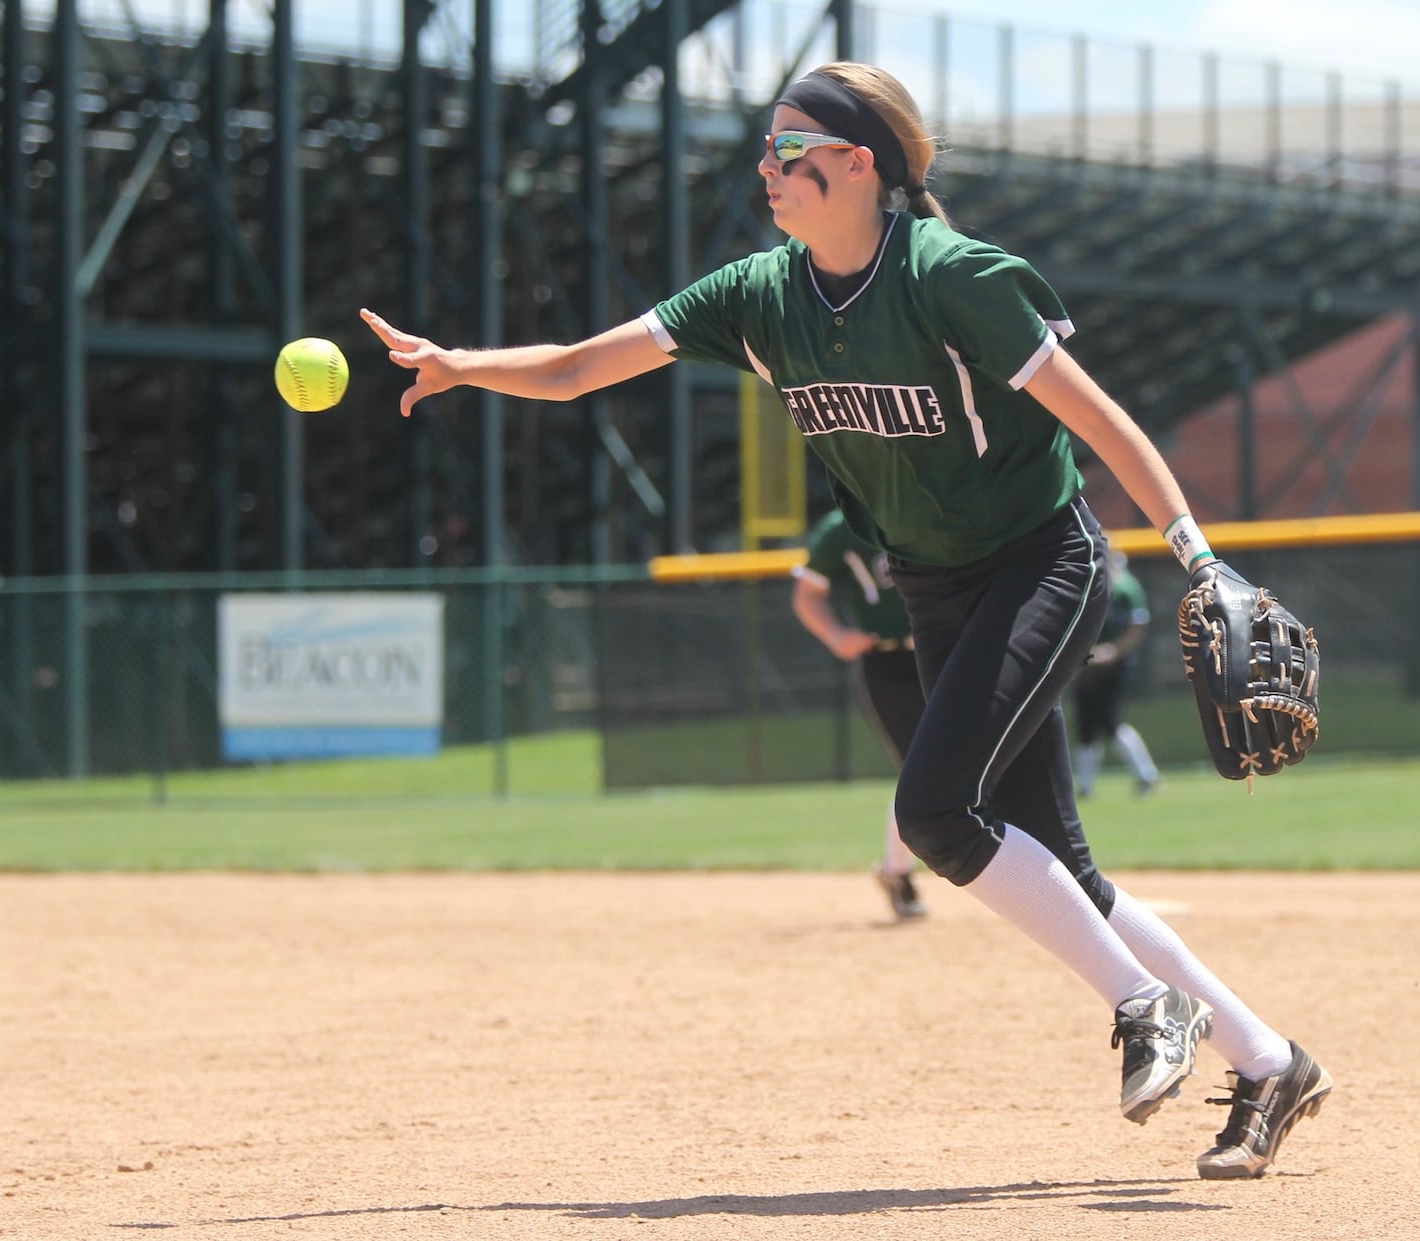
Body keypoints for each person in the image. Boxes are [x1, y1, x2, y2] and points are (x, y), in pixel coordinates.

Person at [360, 60, 1332, 1179]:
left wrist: (1195, 554)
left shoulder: (947, 277)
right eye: (765, 152)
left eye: (788, 151)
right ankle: (1268, 1060)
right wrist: (460, 365)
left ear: (856, 163)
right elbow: (584, 367)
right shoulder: (757, 296)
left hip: (1040, 562)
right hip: (932, 584)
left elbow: (1100, 420)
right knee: (1064, 867)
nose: (766, 171)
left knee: (932, 809)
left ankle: (1143, 1003)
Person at [792, 507, 928, 920]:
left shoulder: (928, 501)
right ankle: (897, 871)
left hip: (943, 651)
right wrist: (836, 635)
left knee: (959, 765)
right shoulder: (843, 528)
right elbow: (807, 593)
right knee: (919, 769)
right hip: (886, 661)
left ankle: (898, 869)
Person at [1071, 549, 1161, 798]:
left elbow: (1136, 627)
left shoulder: (1125, 589)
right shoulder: (1087, 586)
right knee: (1085, 726)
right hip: (1085, 664)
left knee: (1110, 722)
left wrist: (1113, 652)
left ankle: (1146, 775)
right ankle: (1085, 787)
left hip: (1115, 666)